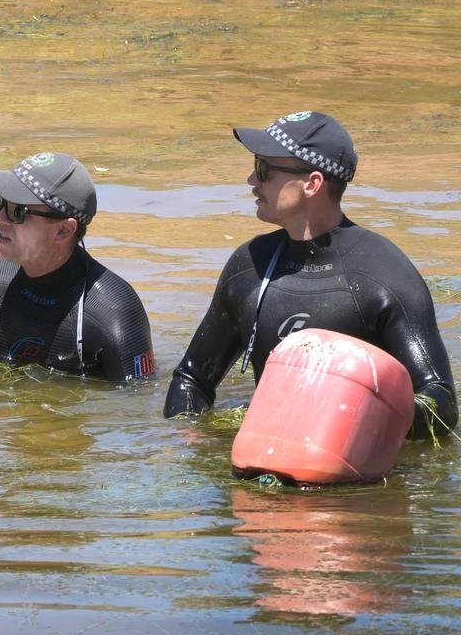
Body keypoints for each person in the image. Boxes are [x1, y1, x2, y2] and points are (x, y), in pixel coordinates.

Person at [164, 110, 457, 438]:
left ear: (312, 184)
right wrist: (189, 442)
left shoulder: (383, 274)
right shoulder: (249, 266)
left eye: (263, 169)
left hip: (355, 475)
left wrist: (353, 414)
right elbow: (192, 381)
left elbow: (440, 403)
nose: (252, 181)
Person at [0, 151, 154, 381]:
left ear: (63, 230)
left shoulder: (114, 313)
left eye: (17, 211)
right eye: (0, 202)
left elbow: (137, 404)